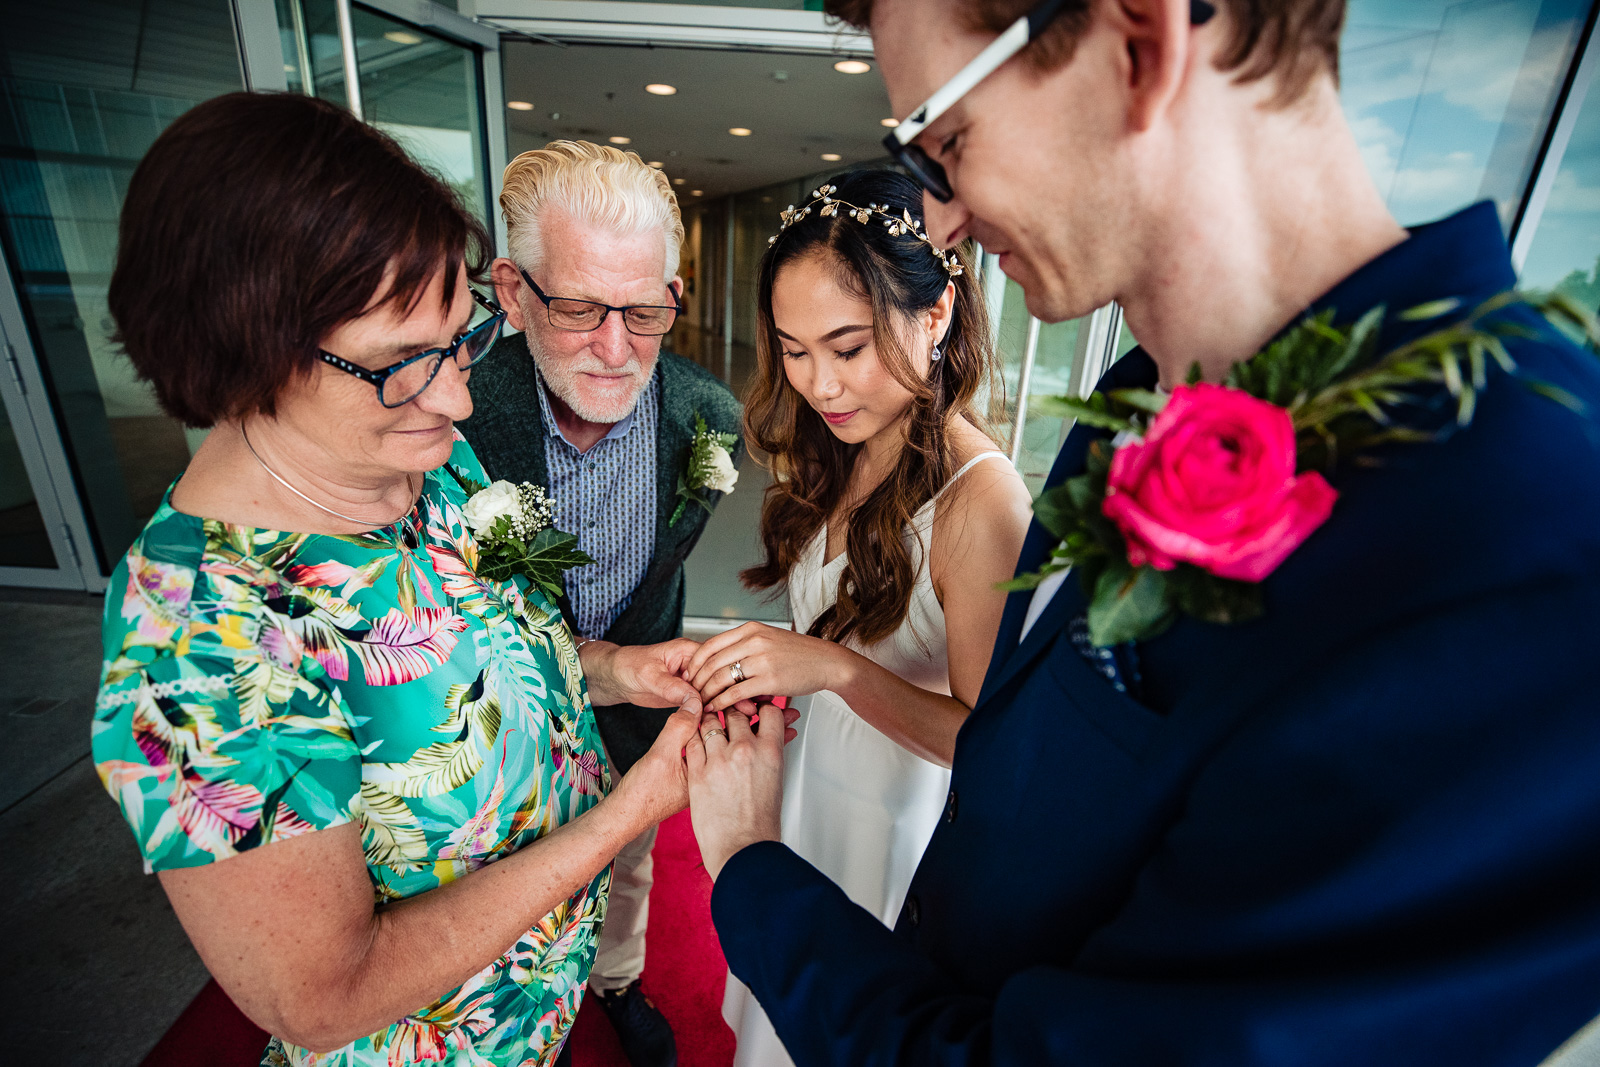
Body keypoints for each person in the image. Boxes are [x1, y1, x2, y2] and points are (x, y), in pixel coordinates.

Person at [683, 1, 1600, 1064]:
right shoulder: (1130, 405)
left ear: (1139, 41)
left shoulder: (1522, 565)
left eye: (945, 142)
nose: (937, 226)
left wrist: (751, 862)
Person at [88, 92, 765, 1067]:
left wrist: (617, 670)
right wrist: (628, 809)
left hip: (540, 997)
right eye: (401, 363)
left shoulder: (425, 460)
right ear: (247, 350)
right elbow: (323, 995)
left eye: (460, 338)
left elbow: (501, 628)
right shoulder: (194, 643)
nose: (454, 396)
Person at [680, 169, 1030, 1067]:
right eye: (794, 350)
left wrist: (831, 667)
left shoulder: (982, 503)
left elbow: (991, 746)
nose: (820, 384)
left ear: (938, 313)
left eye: (849, 346)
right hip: (806, 785)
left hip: (888, 825)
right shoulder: (845, 441)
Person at [458, 140, 743, 1067]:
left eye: (645, 310)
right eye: (578, 307)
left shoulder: (711, 416)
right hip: (484, 738)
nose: (617, 351)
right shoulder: (449, 423)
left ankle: (615, 981)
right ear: (511, 290)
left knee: (627, 870)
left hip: (633, 722)